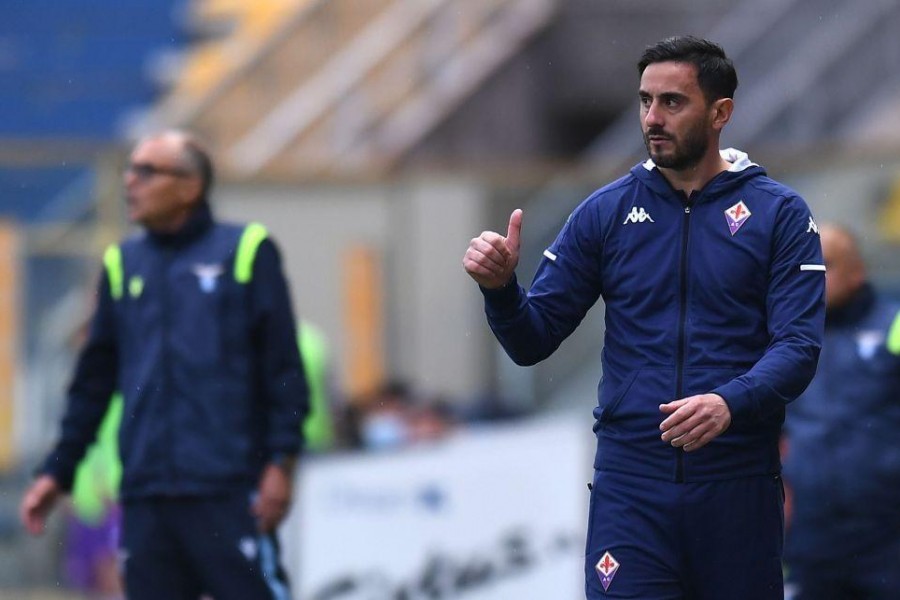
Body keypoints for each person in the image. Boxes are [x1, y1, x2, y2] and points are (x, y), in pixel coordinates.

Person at [463, 36, 825, 599]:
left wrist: (731, 401)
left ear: (720, 112)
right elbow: (532, 340)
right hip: (630, 488)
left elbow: (799, 347)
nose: (652, 118)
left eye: (672, 102)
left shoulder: (779, 214)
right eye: (644, 101)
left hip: (736, 486)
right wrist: (502, 289)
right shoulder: (604, 213)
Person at [20, 130, 309, 600]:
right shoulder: (122, 263)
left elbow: (284, 372)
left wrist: (281, 462)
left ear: (191, 186)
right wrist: (59, 470)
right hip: (146, 495)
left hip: (230, 490)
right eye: (129, 170)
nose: (129, 182)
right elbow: (93, 382)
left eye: (146, 171)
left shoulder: (247, 250)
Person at [782, 224, 900, 599]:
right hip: (811, 536)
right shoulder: (783, 340)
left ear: (857, 270)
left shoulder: (894, 325)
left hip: (888, 535)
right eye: (804, 268)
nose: (813, 278)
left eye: (825, 265)